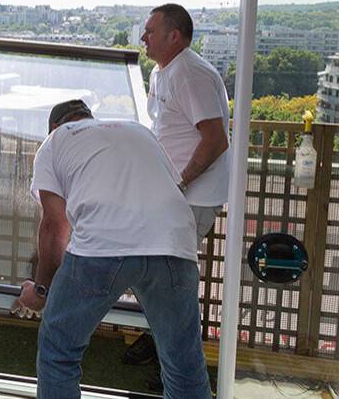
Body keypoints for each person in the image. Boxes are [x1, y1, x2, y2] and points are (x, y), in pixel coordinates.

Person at [14, 100, 211, 399]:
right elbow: (172, 186)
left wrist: (40, 291)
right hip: (173, 242)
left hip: (102, 244)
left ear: (54, 127)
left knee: (59, 351)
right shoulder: (138, 131)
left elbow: (56, 227)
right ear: (89, 118)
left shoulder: (56, 140)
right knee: (183, 362)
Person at [125, 3, 232, 371]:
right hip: (173, 193)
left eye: (150, 31)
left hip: (192, 196)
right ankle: (160, 343)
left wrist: (181, 181)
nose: (143, 37)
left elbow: (216, 139)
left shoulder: (190, 73)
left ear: (174, 36)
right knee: (160, 271)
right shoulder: (162, 72)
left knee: (172, 275)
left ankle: (177, 364)